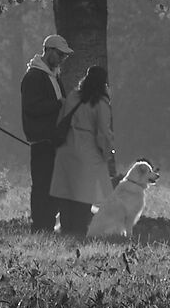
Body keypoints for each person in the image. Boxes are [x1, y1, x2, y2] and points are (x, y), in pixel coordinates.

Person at [49, 64, 117, 239]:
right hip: (86, 152)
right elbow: (103, 133)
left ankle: (66, 231)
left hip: (66, 151)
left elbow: (61, 119)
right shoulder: (101, 103)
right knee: (83, 196)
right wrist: (107, 153)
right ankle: (79, 232)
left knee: (67, 194)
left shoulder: (73, 96)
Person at [19, 34, 73, 233]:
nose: (62, 59)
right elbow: (31, 107)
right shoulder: (34, 76)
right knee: (42, 186)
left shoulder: (53, 76)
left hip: (54, 140)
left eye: (64, 56)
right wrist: (57, 105)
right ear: (49, 51)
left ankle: (48, 225)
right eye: (60, 55)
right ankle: (40, 227)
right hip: (42, 140)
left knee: (52, 187)